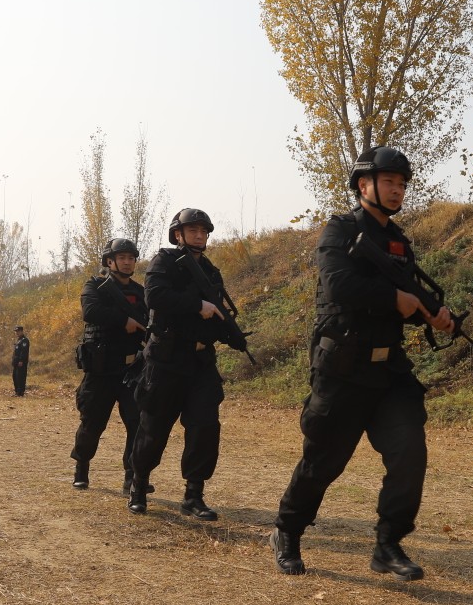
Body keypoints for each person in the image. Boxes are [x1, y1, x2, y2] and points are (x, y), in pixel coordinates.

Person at [271, 147, 455, 582]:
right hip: (343, 369)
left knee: (410, 453)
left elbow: (410, 294)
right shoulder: (339, 229)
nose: (398, 190)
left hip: (389, 371)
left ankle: (388, 544)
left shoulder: (398, 242)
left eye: (403, 184)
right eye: (389, 182)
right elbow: (338, 285)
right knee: (323, 461)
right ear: (363, 185)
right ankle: (288, 531)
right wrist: (395, 299)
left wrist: (433, 315)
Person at [126, 209, 234, 519]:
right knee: (153, 427)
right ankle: (139, 485)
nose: (199, 235)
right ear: (178, 234)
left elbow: (218, 311)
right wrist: (197, 305)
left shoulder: (212, 271)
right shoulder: (164, 262)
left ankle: (193, 494)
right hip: (166, 361)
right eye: (192, 229)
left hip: (200, 362)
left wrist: (228, 332)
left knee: (205, 426)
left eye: (203, 230)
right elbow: (155, 297)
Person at [69, 237, 147, 492]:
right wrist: (123, 321)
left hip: (130, 369)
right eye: (122, 258)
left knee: (137, 423)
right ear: (109, 261)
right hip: (101, 370)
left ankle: (131, 476)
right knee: (92, 423)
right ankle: (82, 467)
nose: (127, 262)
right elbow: (90, 312)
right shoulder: (95, 285)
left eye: (131, 258)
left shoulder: (139, 291)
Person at [11, 325, 30, 397]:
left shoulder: (25, 340)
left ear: (21, 331)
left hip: (21, 362)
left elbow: (24, 351)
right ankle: (17, 391)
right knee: (15, 377)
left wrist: (21, 360)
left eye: (18, 331)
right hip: (16, 362)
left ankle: (20, 392)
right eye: (16, 332)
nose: (17, 333)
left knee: (20, 377)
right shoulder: (18, 340)